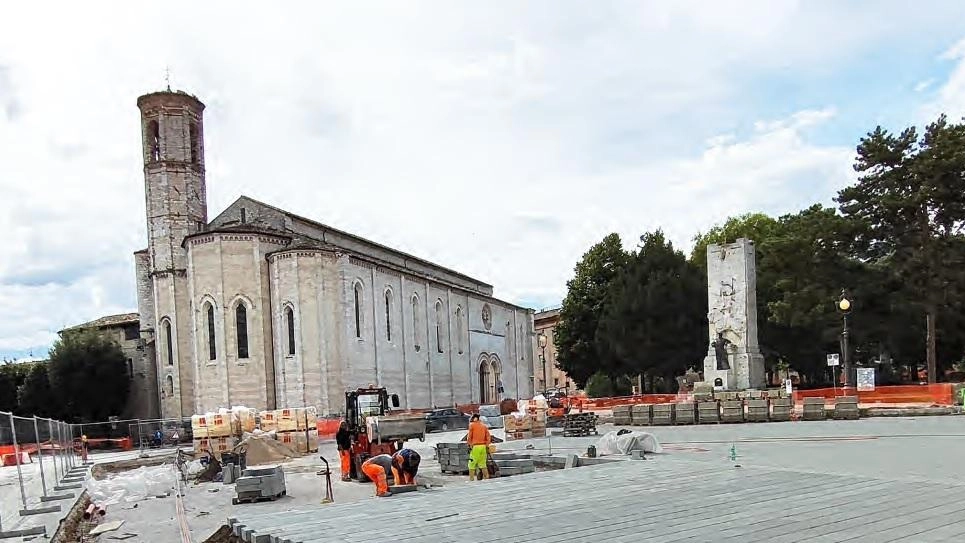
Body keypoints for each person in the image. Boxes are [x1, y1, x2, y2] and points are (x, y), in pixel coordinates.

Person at [467, 413, 491, 481]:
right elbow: (488, 437)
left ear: (474, 418)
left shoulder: (472, 425)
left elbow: (469, 437)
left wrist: (469, 444)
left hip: (475, 447)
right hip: (483, 447)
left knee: (471, 463)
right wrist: (487, 445)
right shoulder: (484, 426)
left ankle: (471, 479)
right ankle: (486, 477)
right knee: (483, 464)